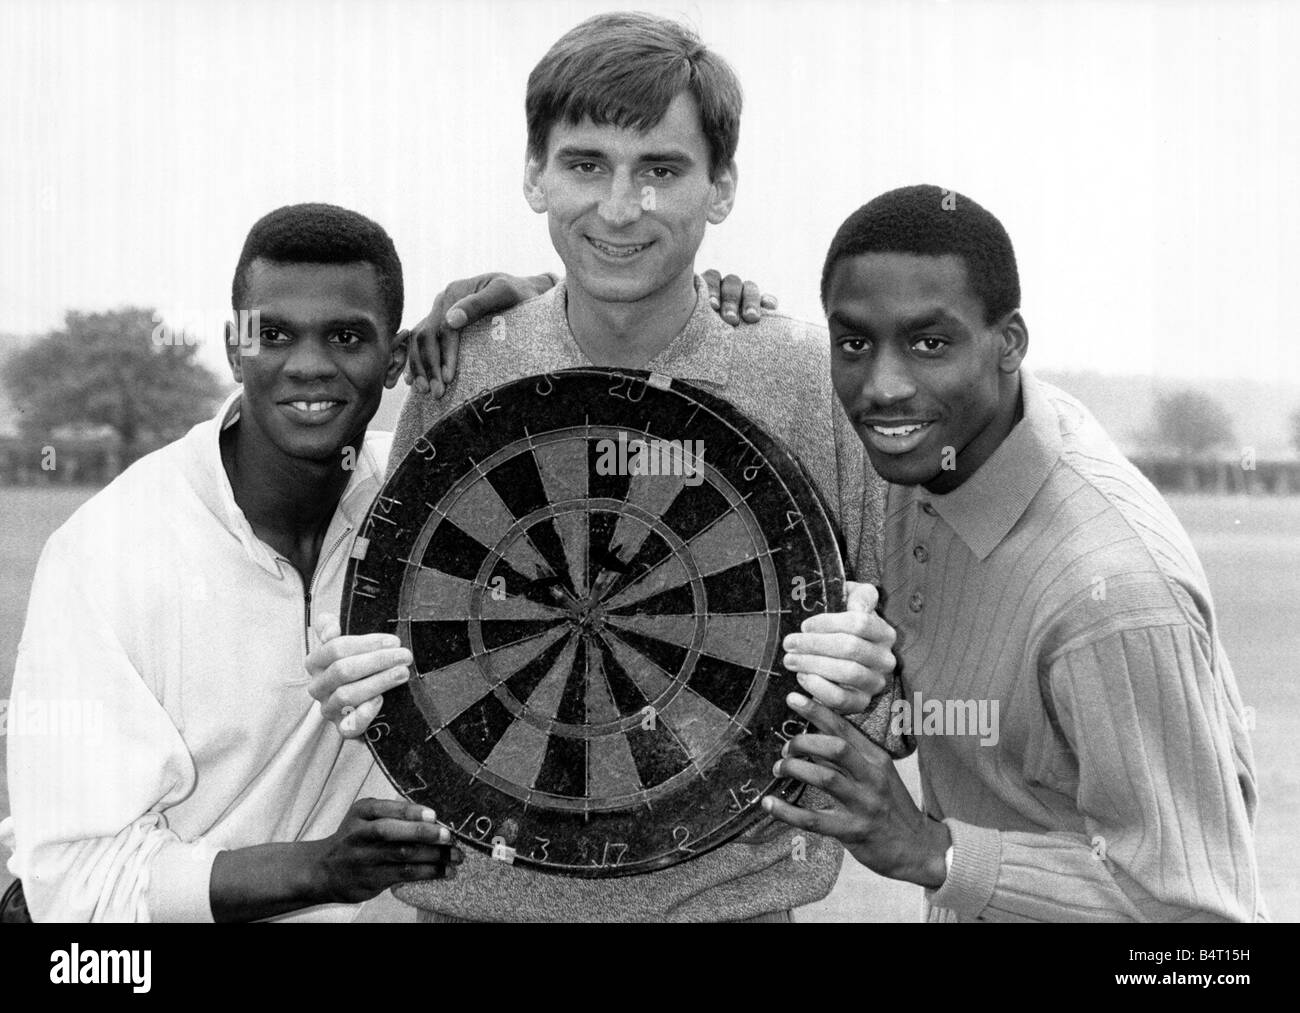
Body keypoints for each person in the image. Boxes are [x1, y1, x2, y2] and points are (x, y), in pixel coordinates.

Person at [307, 11, 903, 923]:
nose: (621, 208)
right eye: (586, 164)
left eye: (661, 170)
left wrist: (867, 685)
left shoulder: (805, 380)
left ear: (722, 187)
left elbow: (901, 708)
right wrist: (348, 672)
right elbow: (407, 635)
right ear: (534, 177)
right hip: (477, 910)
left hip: (728, 909)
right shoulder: (464, 368)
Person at [764, 184, 1264, 921]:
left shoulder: (1115, 592)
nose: (883, 387)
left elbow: (1204, 927)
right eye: (854, 343)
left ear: (1009, 344)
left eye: (930, 342)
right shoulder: (932, 452)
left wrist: (933, 851)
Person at [3, 203, 462, 921]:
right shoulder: (105, 553)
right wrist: (320, 869)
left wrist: (512, 310)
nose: (307, 364)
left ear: (396, 359)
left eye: (346, 336)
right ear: (232, 348)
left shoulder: (430, 518)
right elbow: (73, 886)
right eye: (272, 334)